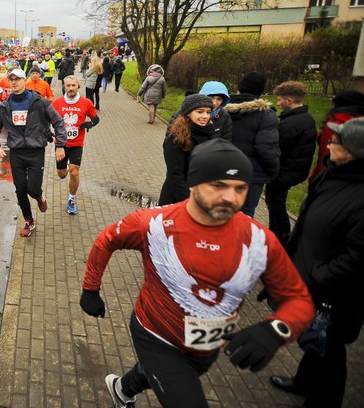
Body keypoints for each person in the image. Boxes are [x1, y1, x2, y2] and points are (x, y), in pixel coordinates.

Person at [81, 138, 314, 408]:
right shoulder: (153, 224)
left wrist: (277, 329)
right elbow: (106, 240)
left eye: (240, 188)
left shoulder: (259, 239)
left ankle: (122, 388)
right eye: (218, 186)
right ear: (193, 183)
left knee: (178, 373)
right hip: (156, 334)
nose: (231, 197)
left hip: (207, 345)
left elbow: (299, 299)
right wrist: (90, 289)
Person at [270, 118, 364, 407]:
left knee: (330, 347)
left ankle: (324, 399)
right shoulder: (332, 174)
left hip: (335, 292)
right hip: (310, 276)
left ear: (353, 151)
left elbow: (357, 257)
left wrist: (318, 276)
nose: (330, 143)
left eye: (337, 140)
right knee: (316, 341)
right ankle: (305, 381)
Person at [0, 69, 67, 237]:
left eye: (17, 79)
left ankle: (39, 196)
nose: (14, 82)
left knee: (32, 189)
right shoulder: (4, 106)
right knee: (20, 189)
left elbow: (58, 122)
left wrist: (60, 144)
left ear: (25, 80)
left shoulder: (39, 102)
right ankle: (28, 220)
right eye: (11, 80)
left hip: (35, 151)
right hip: (16, 151)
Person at [264, 81, 317, 243]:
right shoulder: (306, 118)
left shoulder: (290, 123)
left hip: (284, 172)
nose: (277, 103)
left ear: (289, 101)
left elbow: (278, 147)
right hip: (296, 170)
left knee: (275, 205)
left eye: (279, 100)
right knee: (276, 202)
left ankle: (280, 237)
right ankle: (276, 233)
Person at [224, 72, 280, 218]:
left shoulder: (223, 110)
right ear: (261, 91)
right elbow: (266, 148)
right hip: (253, 175)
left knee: (222, 211)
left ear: (240, 88)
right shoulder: (266, 115)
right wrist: (273, 170)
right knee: (246, 214)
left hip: (224, 170)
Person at [51, 76, 98, 215]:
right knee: (61, 174)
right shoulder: (56, 103)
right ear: (64, 87)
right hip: (61, 144)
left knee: (74, 172)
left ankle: (71, 199)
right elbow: (46, 119)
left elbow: (96, 118)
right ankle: (64, 167)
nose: (71, 88)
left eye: (73, 85)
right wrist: (46, 131)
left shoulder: (86, 103)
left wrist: (90, 123)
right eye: (68, 85)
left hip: (77, 143)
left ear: (79, 87)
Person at [159, 94, 217, 205]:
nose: (205, 116)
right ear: (188, 113)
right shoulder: (176, 138)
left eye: (208, 112)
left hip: (204, 194)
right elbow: (175, 175)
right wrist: (190, 202)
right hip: (179, 197)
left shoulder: (211, 133)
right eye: (200, 112)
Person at [308, 89, 364, 181]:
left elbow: (327, 154)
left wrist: (319, 179)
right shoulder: (359, 122)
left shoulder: (334, 124)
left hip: (332, 174)